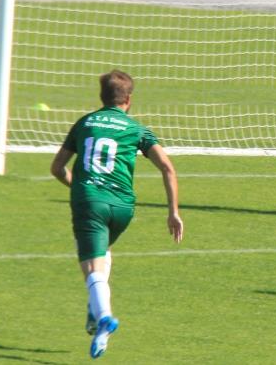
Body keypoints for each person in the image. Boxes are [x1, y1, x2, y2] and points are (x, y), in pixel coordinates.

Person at [50, 69, 184, 358]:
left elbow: (57, 168)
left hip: (90, 202)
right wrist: (173, 212)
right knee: (102, 251)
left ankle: (104, 318)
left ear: (102, 97)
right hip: (124, 207)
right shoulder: (137, 129)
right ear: (129, 99)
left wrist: (78, 187)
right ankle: (95, 309)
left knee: (91, 269)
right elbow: (168, 168)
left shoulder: (85, 123)